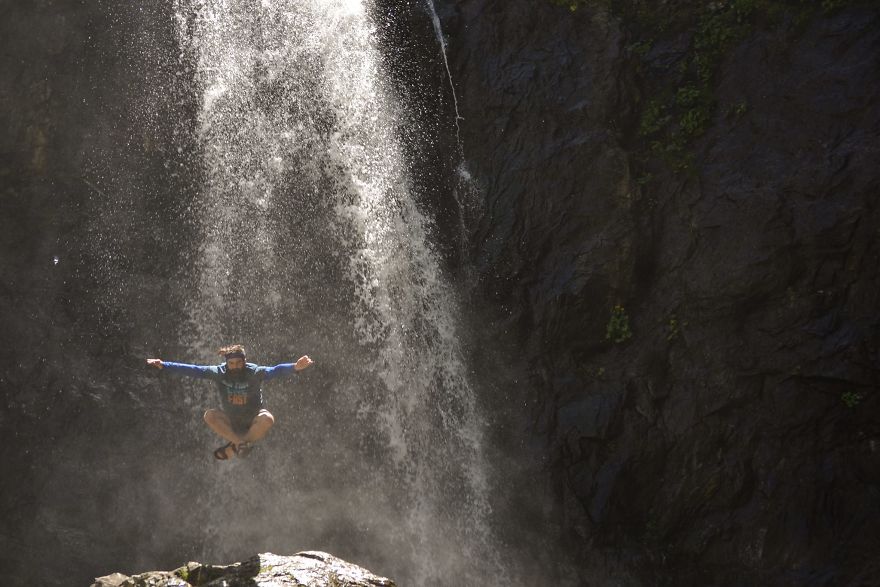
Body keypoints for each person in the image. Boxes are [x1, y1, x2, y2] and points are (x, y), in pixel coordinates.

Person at [146, 344, 314, 460]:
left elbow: (274, 370)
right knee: (209, 415)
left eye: (238, 363)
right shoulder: (218, 372)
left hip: (253, 420)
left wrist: (295, 367)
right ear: (226, 363)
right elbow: (193, 370)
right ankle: (240, 444)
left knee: (268, 418)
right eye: (231, 363)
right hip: (232, 422)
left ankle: (235, 446)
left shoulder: (254, 372)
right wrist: (164, 365)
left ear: (244, 361)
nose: (234, 366)